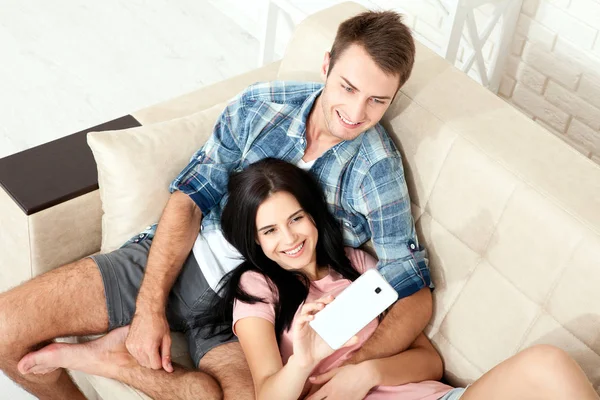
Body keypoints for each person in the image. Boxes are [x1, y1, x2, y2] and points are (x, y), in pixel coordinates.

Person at [0, 10, 433, 400]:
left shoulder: (376, 171)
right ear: (326, 66)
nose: (356, 112)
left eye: (378, 100)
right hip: (178, 259)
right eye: (348, 87)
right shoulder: (261, 105)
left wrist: (358, 368)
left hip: (251, 313)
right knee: (5, 330)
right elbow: (190, 197)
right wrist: (149, 308)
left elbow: (411, 287)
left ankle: (116, 364)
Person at [28, 159, 597, 400]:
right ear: (255, 243)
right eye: (269, 231)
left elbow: (426, 360)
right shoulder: (258, 293)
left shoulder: (360, 267)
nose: (288, 239)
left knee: (548, 362)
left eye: (295, 218)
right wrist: (302, 356)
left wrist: (363, 371)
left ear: (313, 215)